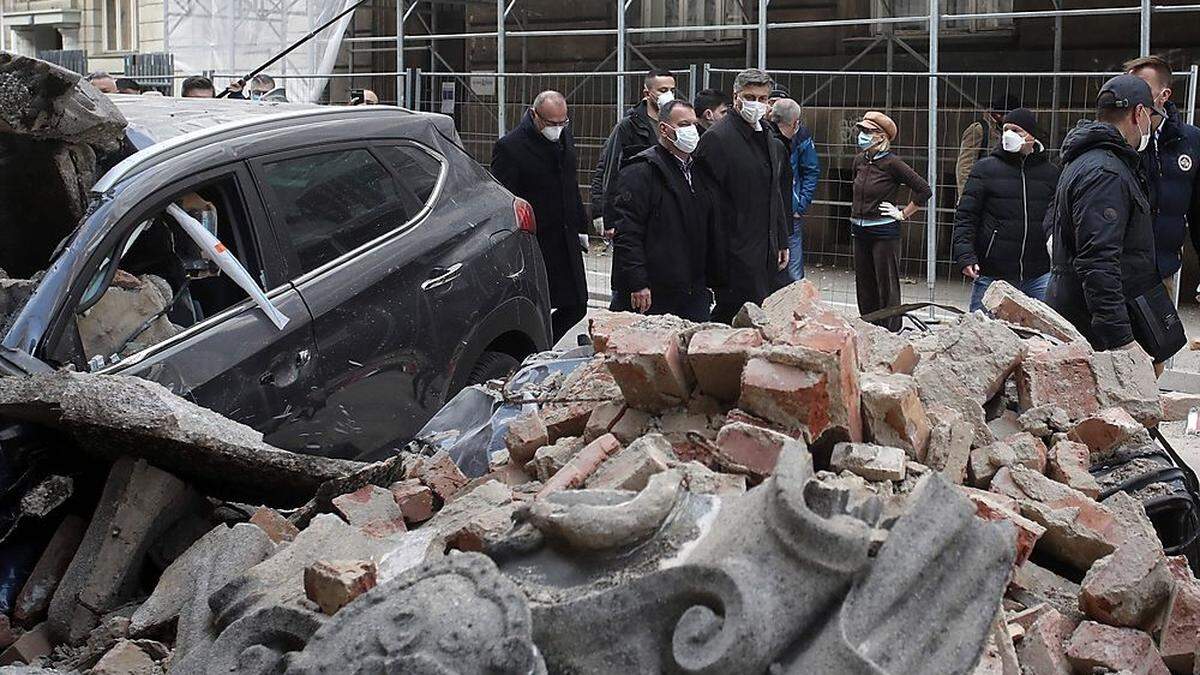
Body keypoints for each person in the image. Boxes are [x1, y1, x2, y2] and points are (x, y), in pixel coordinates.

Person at [1045, 75, 1166, 359]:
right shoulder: (1105, 173)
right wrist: (1121, 339)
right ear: (1138, 113)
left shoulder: (1094, 161)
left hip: (1086, 315)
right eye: (1150, 115)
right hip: (1092, 327)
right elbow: (1098, 261)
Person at [693, 67, 790, 323]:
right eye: (749, 97)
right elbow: (704, 204)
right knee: (733, 316)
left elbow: (774, 191)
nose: (755, 104)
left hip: (764, 247)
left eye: (761, 99)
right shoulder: (718, 138)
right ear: (736, 97)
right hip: (734, 252)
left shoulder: (766, 134)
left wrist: (781, 238)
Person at [610, 100, 722, 321]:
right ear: (664, 128)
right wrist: (638, 282)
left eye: (693, 124)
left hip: (693, 287)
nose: (691, 130)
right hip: (655, 289)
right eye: (683, 124)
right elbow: (628, 232)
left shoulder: (699, 171)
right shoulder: (641, 171)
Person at [491, 91, 589, 343]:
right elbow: (504, 200)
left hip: (566, 237)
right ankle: (536, 352)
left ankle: (541, 346)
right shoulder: (510, 147)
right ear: (534, 115)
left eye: (562, 122)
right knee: (540, 307)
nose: (557, 128)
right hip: (536, 242)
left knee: (577, 305)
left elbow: (570, 181)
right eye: (551, 123)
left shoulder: (564, 136)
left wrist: (581, 225)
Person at [952, 108, 1060, 311]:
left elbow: (1057, 216)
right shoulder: (985, 169)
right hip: (993, 273)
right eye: (1006, 129)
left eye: (1017, 130)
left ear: (1031, 136)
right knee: (980, 334)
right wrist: (965, 255)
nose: (1009, 135)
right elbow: (966, 216)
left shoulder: (1050, 173)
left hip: (1038, 273)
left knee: (1045, 336)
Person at [590, 69, 678, 308]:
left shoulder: (677, 124)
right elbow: (608, 169)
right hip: (635, 211)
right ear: (647, 92)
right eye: (662, 90)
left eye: (672, 89)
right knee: (629, 285)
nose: (668, 95)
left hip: (665, 218)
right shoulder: (629, 127)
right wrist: (604, 213)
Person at [1124, 55, 1200, 300]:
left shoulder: (1190, 141)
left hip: (1161, 272)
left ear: (1164, 95)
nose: (1134, 95)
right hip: (1116, 270)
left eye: (1142, 88)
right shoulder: (1118, 136)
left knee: (1159, 338)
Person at [850, 111, 932, 332]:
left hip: (884, 232)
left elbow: (924, 190)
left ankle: (891, 331)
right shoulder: (860, 160)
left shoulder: (893, 163)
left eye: (868, 132)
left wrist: (904, 213)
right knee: (864, 285)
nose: (862, 136)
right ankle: (868, 328)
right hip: (859, 230)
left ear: (882, 136)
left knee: (886, 285)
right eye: (862, 131)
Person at [768, 98, 820, 282]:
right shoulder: (763, 135)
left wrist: (800, 204)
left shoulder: (801, 136)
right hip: (768, 214)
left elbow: (811, 170)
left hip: (790, 212)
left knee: (793, 273)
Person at [956, 93, 1021, 201]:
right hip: (980, 189)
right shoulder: (979, 130)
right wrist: (966, 197)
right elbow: (964, 166)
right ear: (999, 114)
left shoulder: (1006, 130)